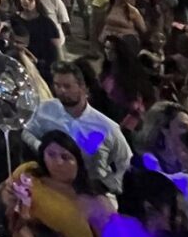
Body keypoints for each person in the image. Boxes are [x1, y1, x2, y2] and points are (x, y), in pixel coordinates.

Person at [0, 130, 110, 237]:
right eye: (51, 155)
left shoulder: (94, 201)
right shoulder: (29, 171)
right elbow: (0, 191)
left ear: (78, 161)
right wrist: (6, 195)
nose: (58, 162)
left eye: (65, 157)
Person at [22, 61, 131, 196]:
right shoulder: (45, 109)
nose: (61, 91)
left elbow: (125, 160)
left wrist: (111, 185)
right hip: (51, 186)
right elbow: (27, 131)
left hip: (89, 193)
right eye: (57, 85)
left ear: (83, 87)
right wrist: (41, 148)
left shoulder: (107, 127)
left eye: (67, 86)